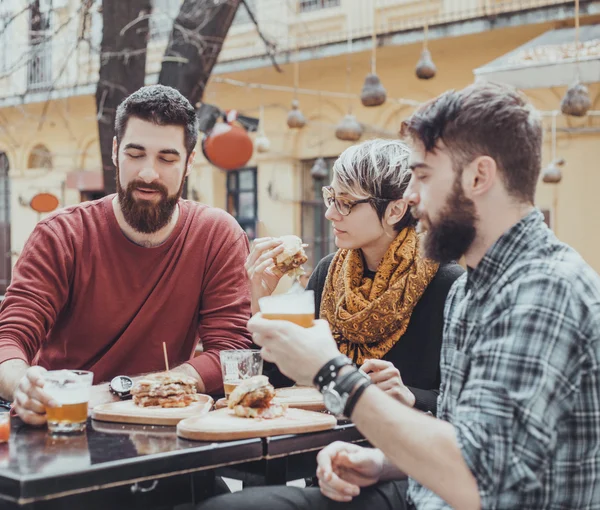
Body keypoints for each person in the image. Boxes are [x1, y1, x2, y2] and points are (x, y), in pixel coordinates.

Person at [199, 81, 600, 509]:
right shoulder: (475, 286)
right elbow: (460, 437)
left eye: (424, 175)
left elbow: (480, 482)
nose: (410, 196)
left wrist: (331, 371)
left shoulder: (541, 289)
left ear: (480, 176)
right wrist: (383, 463)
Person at [0, 85, 252, 426]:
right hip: (62, 426)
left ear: (189, 162)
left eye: (167, 158)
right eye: (135, 154)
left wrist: (135, 390)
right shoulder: (61, 235)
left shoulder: (217, 235)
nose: (149, 173)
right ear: (116, 151)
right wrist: (22, 385)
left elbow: (230, 351)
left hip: (162, 428)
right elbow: (10, 337)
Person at [246, 139, 463, 414]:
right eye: (331, 197)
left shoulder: (447, 284)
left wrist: (411, 396)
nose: (330, 213)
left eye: (346, 203)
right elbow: (283, 380)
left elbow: (466, 407)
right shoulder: (328, 273)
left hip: (400, 449)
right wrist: (260, 301)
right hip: (323, 441)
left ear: (395, 210)